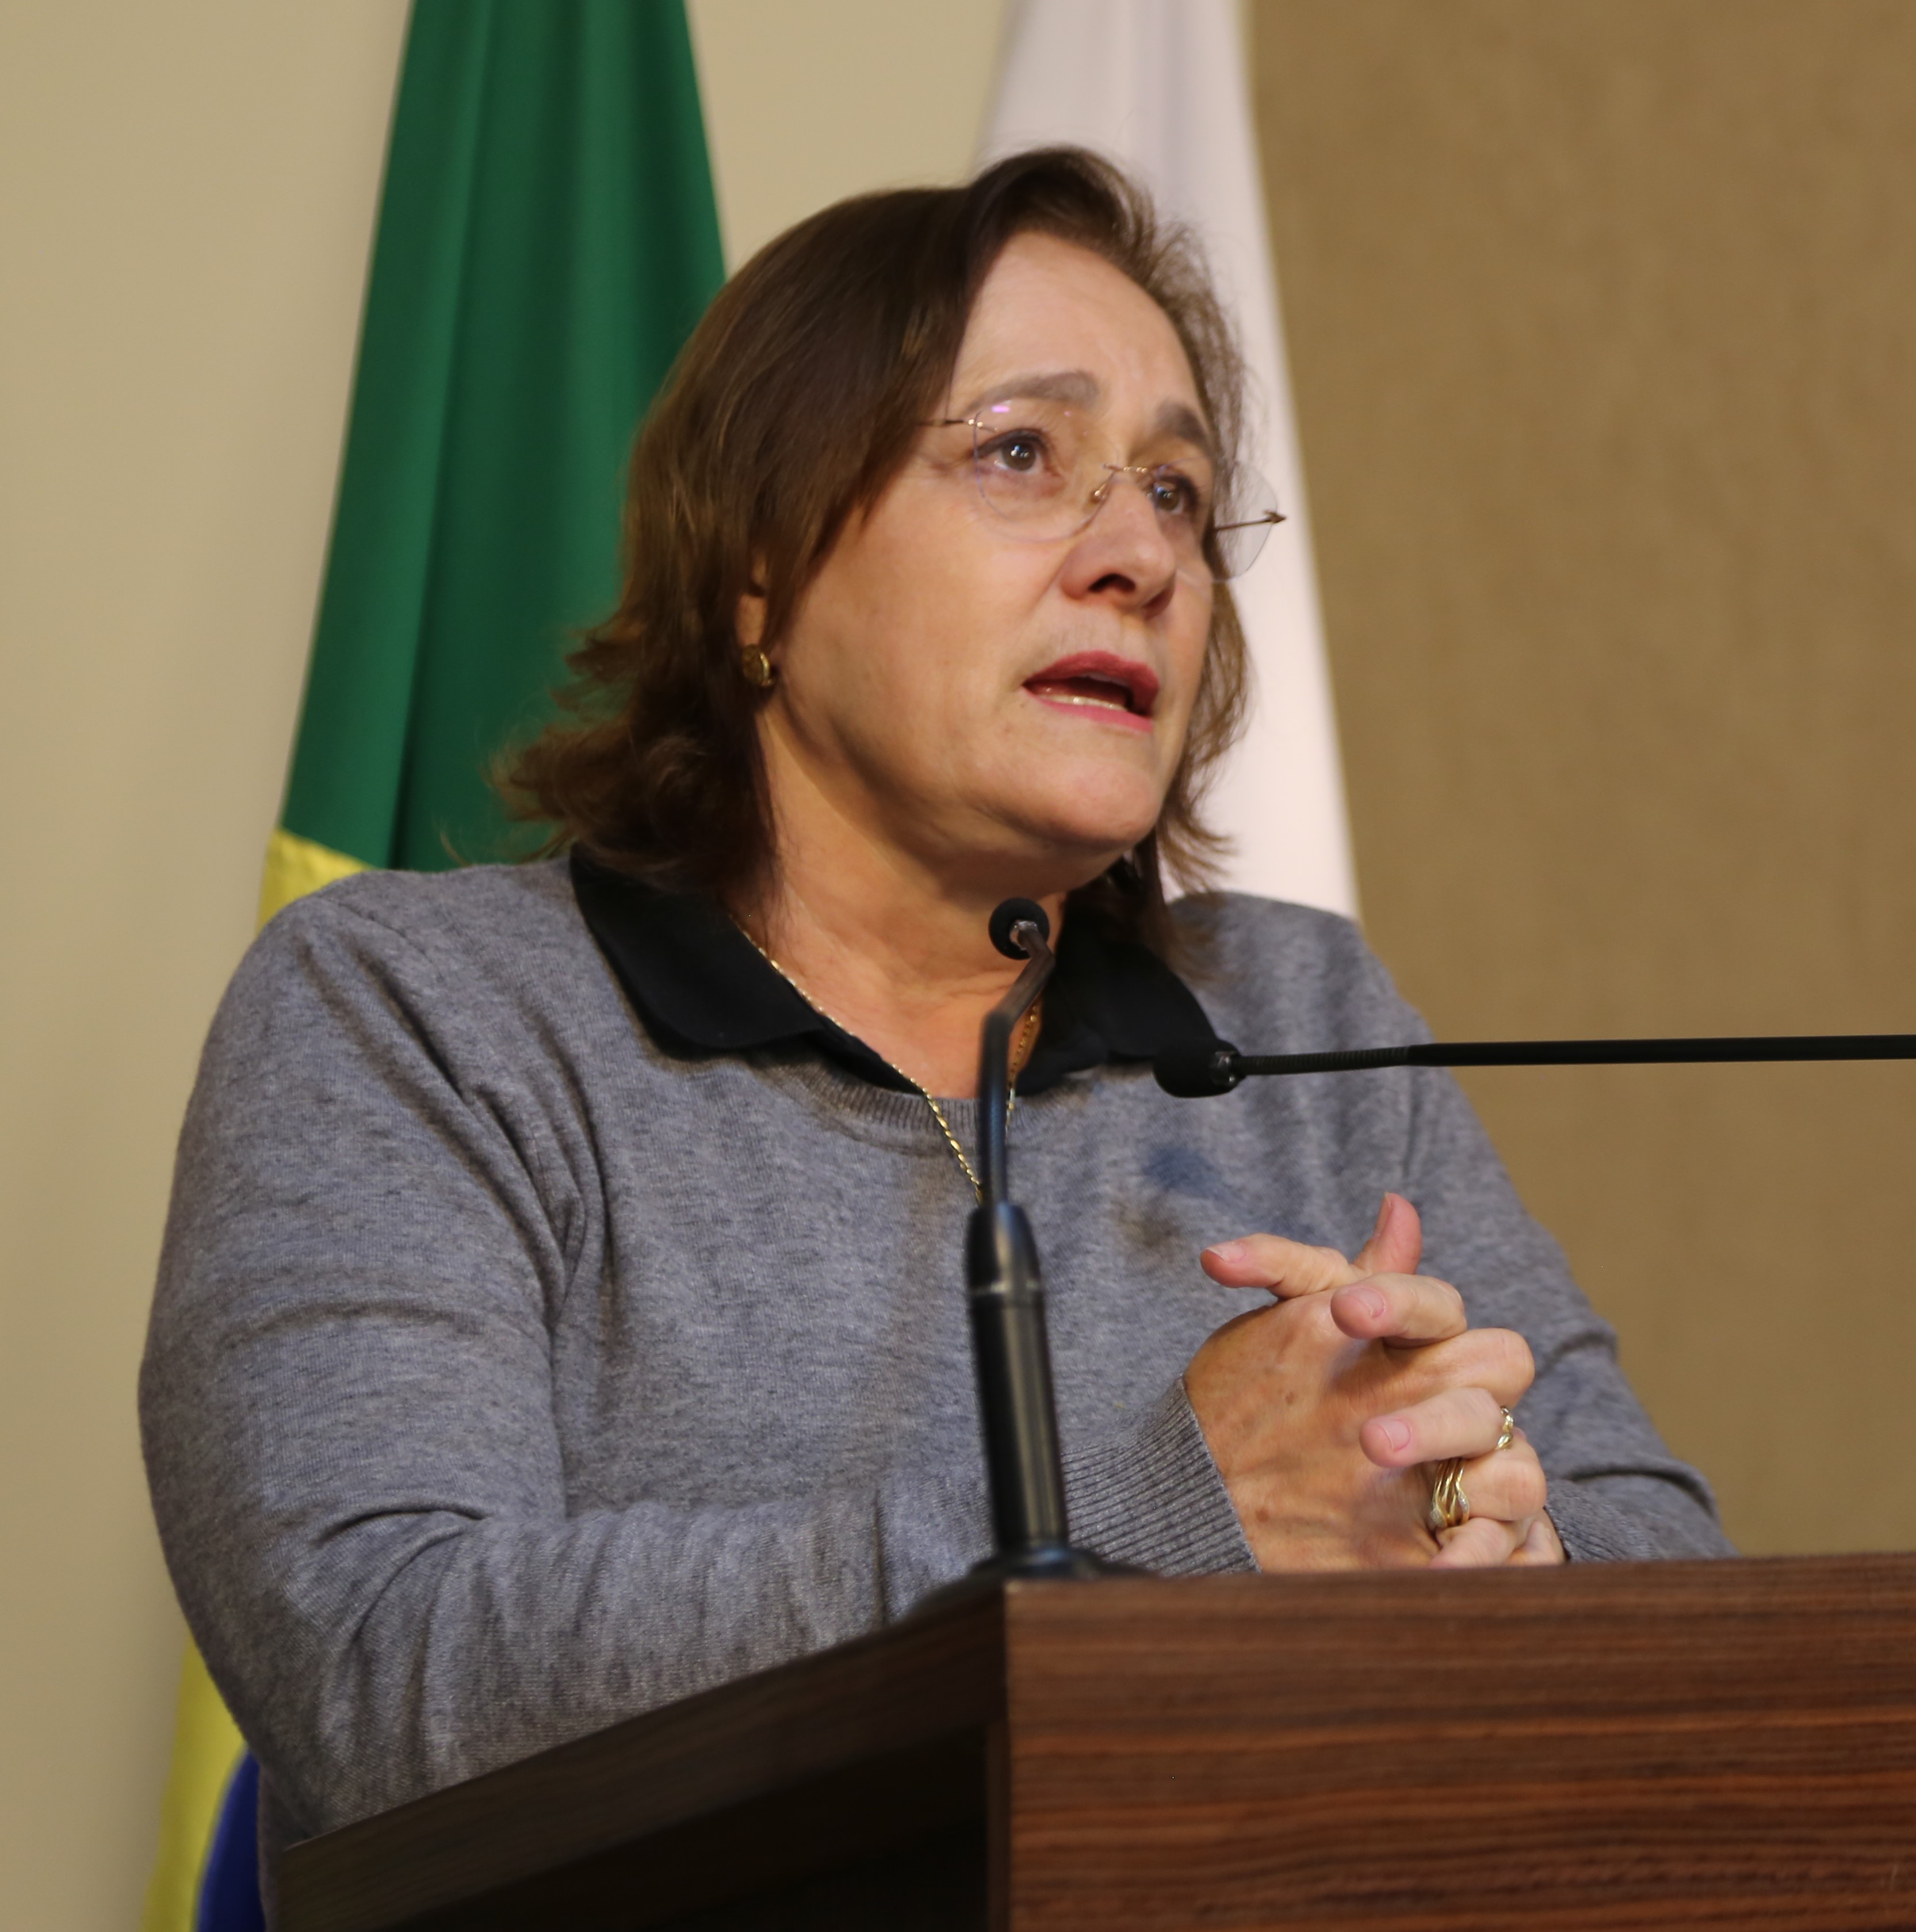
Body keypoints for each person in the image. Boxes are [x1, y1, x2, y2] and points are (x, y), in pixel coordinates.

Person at [141, 148, 1729, 1874]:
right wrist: (1171, 1514)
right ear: (760, 563)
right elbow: (381, 1679)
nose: (1140, 554)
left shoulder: (1299, 1006)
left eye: (1181, 492)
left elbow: (1680, 1593)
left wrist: (1490, 1536)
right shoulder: (421, 1012)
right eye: (1021, 454)